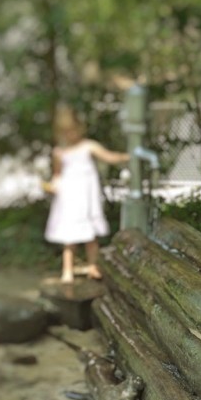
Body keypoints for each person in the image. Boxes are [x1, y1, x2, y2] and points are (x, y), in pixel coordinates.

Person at [44, 106, 129, 283]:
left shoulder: (88, 146)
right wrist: (52, 186)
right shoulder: (59, 152)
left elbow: (108, 157)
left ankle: (93, 266)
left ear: (79, 128)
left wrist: (125, 157)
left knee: (91, 236)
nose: (69, 135)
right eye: (65, 132)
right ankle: (67, 270)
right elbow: (57, 175)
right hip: (69, 198)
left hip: (87, 198)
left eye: (72, 130)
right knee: (69, 237)